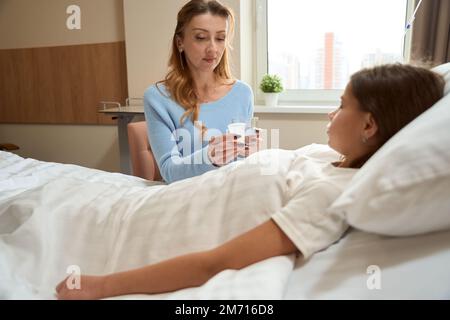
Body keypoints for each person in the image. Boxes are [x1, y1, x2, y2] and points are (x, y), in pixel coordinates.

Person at [55, 64, 445, 299]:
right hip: (152, 197)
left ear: (369, 124)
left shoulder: (332, 194)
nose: (331, 113)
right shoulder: (326, 158)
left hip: (152, 220)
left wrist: (100, 287)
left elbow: (216, 262)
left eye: (341, 104)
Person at [143, 0, 258, 184]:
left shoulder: (243, 94)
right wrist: (211, 156)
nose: (213, 49)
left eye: (220, 38)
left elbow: (243, 162)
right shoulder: (157, 98)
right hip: (184, 197)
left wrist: (251, 154)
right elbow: (169, 172)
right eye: (201, 37)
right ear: (180, 42)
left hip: (231, 194)